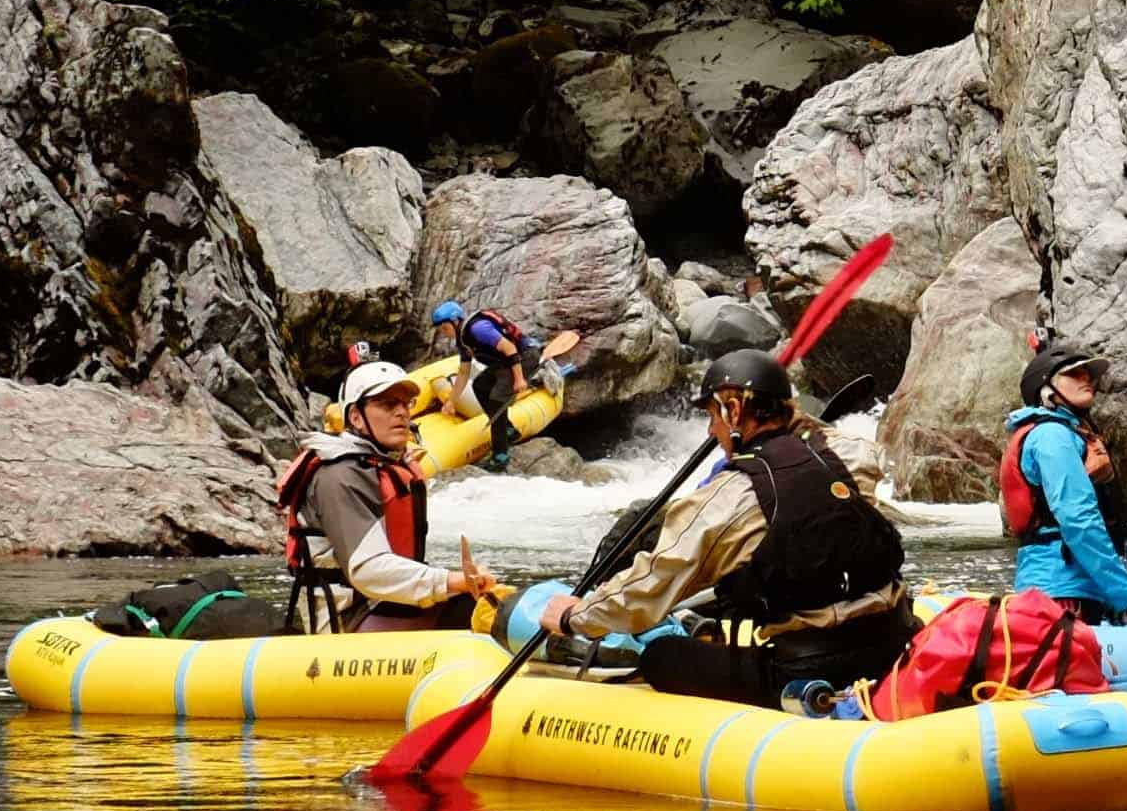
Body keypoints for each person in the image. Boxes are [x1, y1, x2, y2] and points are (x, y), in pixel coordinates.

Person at [534, 351, 918, 707]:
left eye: (713, 417)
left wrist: (575, 617)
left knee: (663, 655)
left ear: (734, 411)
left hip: (809, 669)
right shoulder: (852, 456)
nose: (710, 432)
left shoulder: (726, 499)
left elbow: (648, 588)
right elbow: (811, 464)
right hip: (893, 641)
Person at [277, 361, 504, 633]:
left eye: (405, 403)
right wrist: (450, 581)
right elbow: (368, 570)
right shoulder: (338, 475)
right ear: (356, 417)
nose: (401, 412)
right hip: (345, 618)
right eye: (386, 404)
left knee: (494, 605)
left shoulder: (383, 466)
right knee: (474, 610)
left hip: (385, 603)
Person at [1002, 343, 1127, 633]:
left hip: (1070, 586)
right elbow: (1079, 522)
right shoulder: (1052, 437)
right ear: (1045, 388)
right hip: (1061, 593)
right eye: (1075, 374)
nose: (1087, 379)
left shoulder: (1065, 433)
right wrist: (1126, 594)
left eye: (1089, 374)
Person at [427, 300, 585, 451]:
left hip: (525, 357)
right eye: (441, 330)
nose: (444, 333)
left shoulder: (478, 329)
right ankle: (508, 429)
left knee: (497, 400)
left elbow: (509, 348)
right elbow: (463, 372)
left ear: (456, 321)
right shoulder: (463, 342)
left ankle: (500, 455)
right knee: (479, 385)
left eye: (445, 328)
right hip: (506, 363)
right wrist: (451, 401)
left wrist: (519, 379)